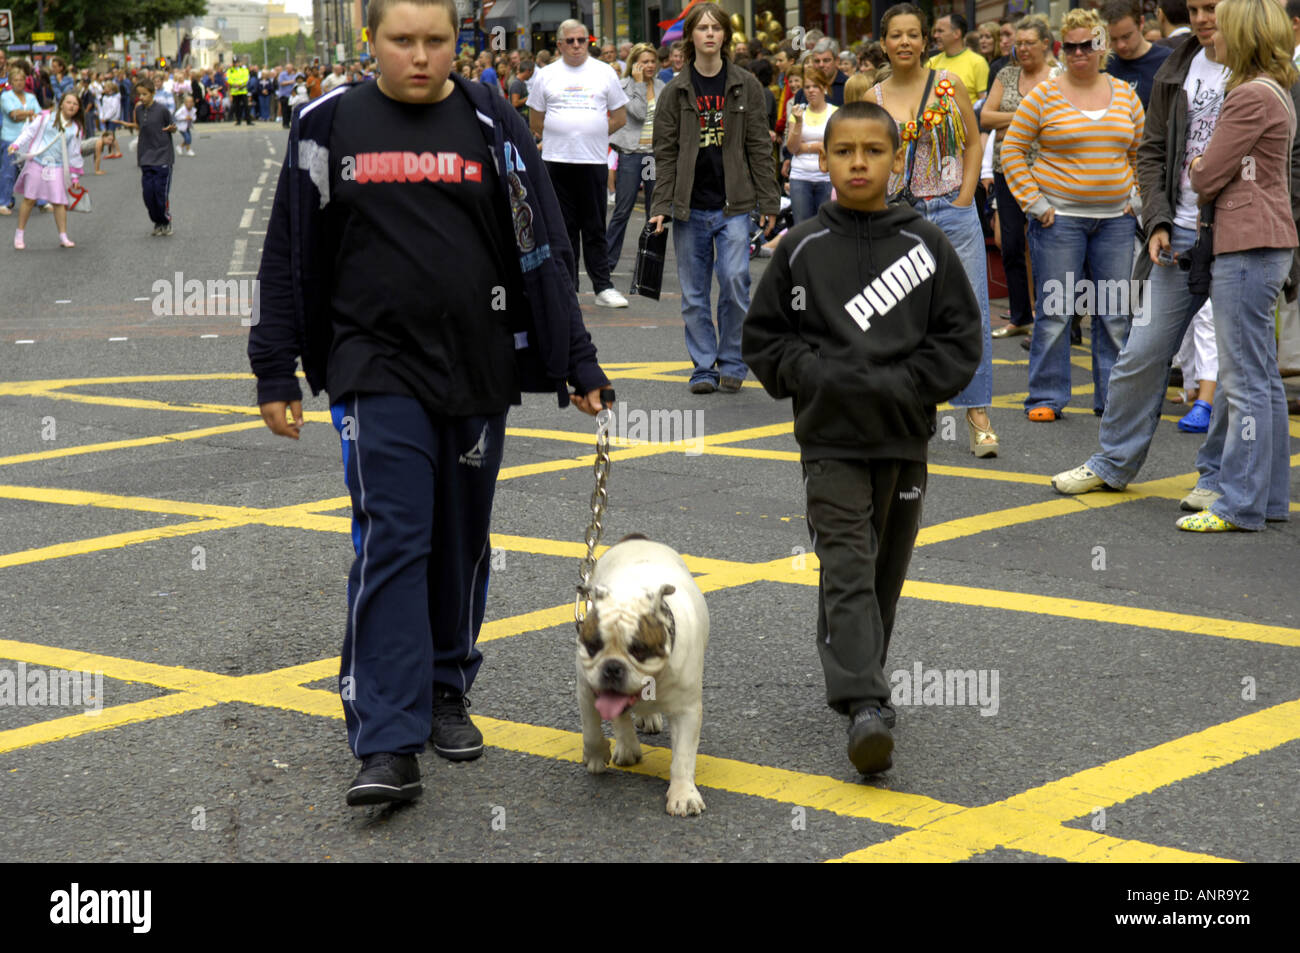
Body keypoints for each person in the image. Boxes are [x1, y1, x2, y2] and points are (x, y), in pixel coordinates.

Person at [249, 0, 610, 806]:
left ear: (459, 44)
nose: (419, 56)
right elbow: (290, 248)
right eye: (401, 40)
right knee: (395, 536)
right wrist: (275, 366)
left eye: (436, 40)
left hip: (479, 361)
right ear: (371, 42)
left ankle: (447, 686)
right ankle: (385, 738)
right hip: (373, 364)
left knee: (460, 537)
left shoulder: (491, 121)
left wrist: (575, 358)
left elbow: (541, 239)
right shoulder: (325, 122)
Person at [743, 101, 981, 775]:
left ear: (895, 159)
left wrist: (908, 385)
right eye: (843, 150)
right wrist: (815, 375)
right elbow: (765, 340)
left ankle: (862, 674)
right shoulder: (802, 248)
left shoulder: (926, 246)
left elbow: (962, 340)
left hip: (904, 440)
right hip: (829, 441)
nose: (856, 162)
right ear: (823, 159)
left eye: (872, 151)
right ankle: (866, 703)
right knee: (846, 562)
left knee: (883, 573)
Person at [1050, 0, 1240, 511]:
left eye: (1212, 8)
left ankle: (1217, 477)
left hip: (1238, 238)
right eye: (1195, 8)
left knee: (1231, 369)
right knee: (1139, 354)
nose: (1202, 18)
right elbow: (1152, 149)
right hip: (1176, 236)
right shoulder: (1178, 64)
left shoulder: (1260, 68)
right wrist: (1156, 219)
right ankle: (1112, 462)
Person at [1177, 0, 1297, 531]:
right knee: (1262, 377)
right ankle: (1267, 498)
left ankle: (1239, 503)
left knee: (1244, 379)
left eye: (1221, 29)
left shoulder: (1248, 95)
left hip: (1247, 242)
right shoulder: (1273, 90)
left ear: (1242, 35)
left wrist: (1197, 162)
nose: (1211, 37)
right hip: (1265, 241)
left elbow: (1205, 176)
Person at [1001, 6, 1145, 422]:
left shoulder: (1125, 94)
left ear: (1102, 47)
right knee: (1056, 310)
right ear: (1061, 49)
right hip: (1058, 219)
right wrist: (1035, 202)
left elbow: (1141, 153)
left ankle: (1112, 399)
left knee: (1115, 313)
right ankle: (1045, 396)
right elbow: (1011, 150)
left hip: (1116, 221)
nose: (1080, 52)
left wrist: (1135, 198)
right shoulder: (1043, 95)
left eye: (1090, 44)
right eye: (1072, 46)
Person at [873, 3, 999, 457]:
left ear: (925, 40)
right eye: (895, 35)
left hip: (951, 209)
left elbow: (972, 141)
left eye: (912, 34)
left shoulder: (948, 87)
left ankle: (977, 413)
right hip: (897, 217)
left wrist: (965, 197)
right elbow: (866, 160)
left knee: (971, 311)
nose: (904, 42)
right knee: (899, 317)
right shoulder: (874, 99)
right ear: (884, 43)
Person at [649, 1, 780, 394]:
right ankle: (704, 366)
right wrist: (659, 206)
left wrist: (769, 202)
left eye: (716, 28)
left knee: (736, 279)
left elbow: (759, 145)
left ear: (725, 35)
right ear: (691, 36)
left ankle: (733, 359)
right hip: (690, 206)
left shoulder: (746, 85)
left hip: (734, 205)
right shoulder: (675, 91)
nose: (709, 34)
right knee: (693, 295)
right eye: (702, 28)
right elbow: (665, 154)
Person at [527, 19, 630, 308]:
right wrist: (567, 135)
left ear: (589, 42)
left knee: (595, 226)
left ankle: (603, 287)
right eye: (569, 41)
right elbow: (536, 121)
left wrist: (591, 134)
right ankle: (567, 286)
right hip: (556, 162)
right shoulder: (546, 75)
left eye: (581, 40)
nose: (575, 45)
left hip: (592, 160)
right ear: (559, 44)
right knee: (563, 227)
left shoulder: (604, 72)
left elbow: (619, 117)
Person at [981, 17, 1058, 338]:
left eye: (1030, 42)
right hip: (1007, 170)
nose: (1023, 48)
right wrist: (1028, 115)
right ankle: (1020, 316)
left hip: (1047, 171)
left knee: (1048, 245)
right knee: (1011, 244)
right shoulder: (1006, 74)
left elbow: (1058, 118)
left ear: (1045, 43)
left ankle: (1049, 314)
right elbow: (985, 116)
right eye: (1019, 43)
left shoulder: (1058, 76)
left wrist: (1009, 122)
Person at [606, 43, 663, 272]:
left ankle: (649, 266)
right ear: (634, 64)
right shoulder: (624, 86)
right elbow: (639, 113)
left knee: (654, 212)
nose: (649, 66)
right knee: (623, 210)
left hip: (652, 156)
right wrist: (639, 84)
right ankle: (607, 263)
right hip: (631, 155)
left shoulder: (661, 86)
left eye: (652, 61)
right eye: (644, 62)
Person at [7, 91, 84, 249]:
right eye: (69, 102)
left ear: (78, 109)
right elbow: (29, 132)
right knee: (29, 199)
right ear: (61, 104)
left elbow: (74, 153)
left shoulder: (76, 128)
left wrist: (74, 177)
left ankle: (63, 236)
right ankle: (19, 234)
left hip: (57, 166)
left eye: (75, 104)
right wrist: (15, 145)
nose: (72, 106)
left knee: (59, 202)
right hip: (37, 161)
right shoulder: (46, 118)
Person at [116, 78, 178, 236]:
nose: (141, 98)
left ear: (152, 93)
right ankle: (157, 222)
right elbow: (140, 127)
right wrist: (128, 125)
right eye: (139, 95)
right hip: (145, 156)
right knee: (148, 195)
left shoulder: (162, 110)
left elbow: (172, 127)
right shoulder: (139, 110)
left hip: (163, 156)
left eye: (144, 94)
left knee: (160, 193)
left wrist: (171, 129)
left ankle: (165, 221)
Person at [786, 69, 837, 223]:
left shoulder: (834, 113)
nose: (811, 91)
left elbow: (833, 146)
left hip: (826, 176)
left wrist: (806, 147)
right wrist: (799, 122)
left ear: (824, 88)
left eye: (815, 86)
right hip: (800, 175)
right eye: (807, 87)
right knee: (801, 226)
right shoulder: (798, 113)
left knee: (826, 225)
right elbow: (792, 148)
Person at [1104, 0, 1174, 108]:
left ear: (1141, 23)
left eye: (1126, 36)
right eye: (1113, 39)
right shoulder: (1104, 64)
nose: (1120, 45)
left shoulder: (1167, 61)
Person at [1, 65, 41, 216]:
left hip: (30, 139)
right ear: (11, 82)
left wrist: (26, 114)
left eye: (21, 80)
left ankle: (40, 200)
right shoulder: (5, 96)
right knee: (8, 172)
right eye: (16, 80)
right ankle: (4, 201)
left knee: (35, 170)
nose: (19, 83)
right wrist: (29, 113)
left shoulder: (31, 97)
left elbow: (38, 116)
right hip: (11, 138)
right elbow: (13, 115)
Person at [928, 12, 989, 101]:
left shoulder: (978, 62)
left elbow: (983, 101)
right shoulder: (931, 62)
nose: (935, 35)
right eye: (935, 31)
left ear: (956, 33)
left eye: (940, 31)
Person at [93, 80, 123, 173]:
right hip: (106, 118)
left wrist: (106, 117)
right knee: (110, 135)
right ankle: (112, 151)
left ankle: (117, 151)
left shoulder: (115, 97)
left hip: (112, 118)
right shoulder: (105, 97)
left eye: (105, 87)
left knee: (111, 135)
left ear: (110, 88)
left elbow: (113, 109)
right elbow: (102, 108)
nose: (104, 89)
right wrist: (102, 117)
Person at [277, 63, 296, 128]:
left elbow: (295, 82)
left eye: (291, 68)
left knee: (289, 110)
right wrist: (290, 82)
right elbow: (281, 83)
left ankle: (288, 123)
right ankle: (285, 123)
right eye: (289, 68)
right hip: (284, 95)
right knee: (284, 110)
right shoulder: (282, 74)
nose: (290, 70)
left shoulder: (293, 75)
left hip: (291, 96)